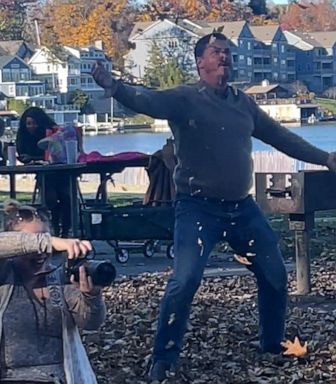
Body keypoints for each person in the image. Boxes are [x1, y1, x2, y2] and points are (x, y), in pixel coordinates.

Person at [92, 32, 336, 381]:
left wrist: (326, 157)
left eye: (228, 53)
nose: (224, 58)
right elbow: (148, 100)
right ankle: (163, 358)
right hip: (198, 207)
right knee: (185, 279)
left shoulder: (243, 104)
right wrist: (113, 87)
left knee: (275, 275)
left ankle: (270, 343)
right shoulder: (186, 99)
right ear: (199, 61)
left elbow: (281, 137)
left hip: (242, 207)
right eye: (216, 52)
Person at [0, 200, 105, 384]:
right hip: (7, 379)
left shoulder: (59, 279)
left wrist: (92, 296)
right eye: (33, 242)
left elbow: (91, 323)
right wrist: (49, 242)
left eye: (44, 238)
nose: (40, 251)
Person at [16, 107, 72, 237]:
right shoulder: (23, 136)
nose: (31, 127)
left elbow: (56, 153)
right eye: (29, 123)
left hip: (61, 172)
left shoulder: (53, 132)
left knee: (66, 199)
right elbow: (23, 153)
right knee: (50, 200)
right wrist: (26, 158)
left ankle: (65, 230)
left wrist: (34, 158)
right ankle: (54, 227)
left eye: (34, 123)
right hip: (44, 174)